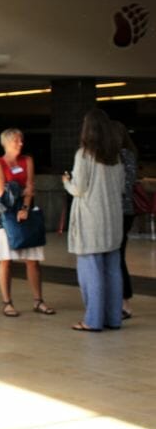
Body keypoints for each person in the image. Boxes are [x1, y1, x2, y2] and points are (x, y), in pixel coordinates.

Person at [63, 109, 125, 332]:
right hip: (113, 220)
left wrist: (66, 182)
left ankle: (93, 320)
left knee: (91, 273)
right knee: (112, 272)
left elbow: (79, 188)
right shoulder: (115, 156)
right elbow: (120, 187)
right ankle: (113, 318)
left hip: (91, 221)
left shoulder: (84, 154)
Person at [0, 128, 55, 317]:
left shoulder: (27, 161)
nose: (20, 144)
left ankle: (38, 300)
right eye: (17, 141)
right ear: (7, 143)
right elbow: (2, 193)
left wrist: (25, 207)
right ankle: (7, 302)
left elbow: (30, 187)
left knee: (33, 260)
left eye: (21, 140)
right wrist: (21, 191)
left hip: (25, 215)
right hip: (4, 217)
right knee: (5, 260)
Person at [113, 121, 137, 320]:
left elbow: (124, 186)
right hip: (122, 212)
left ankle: (124, 302)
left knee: (117, 256)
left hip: (121, 212)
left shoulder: (123, 156)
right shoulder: (126, 155)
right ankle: (120, 300)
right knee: (117, 256)